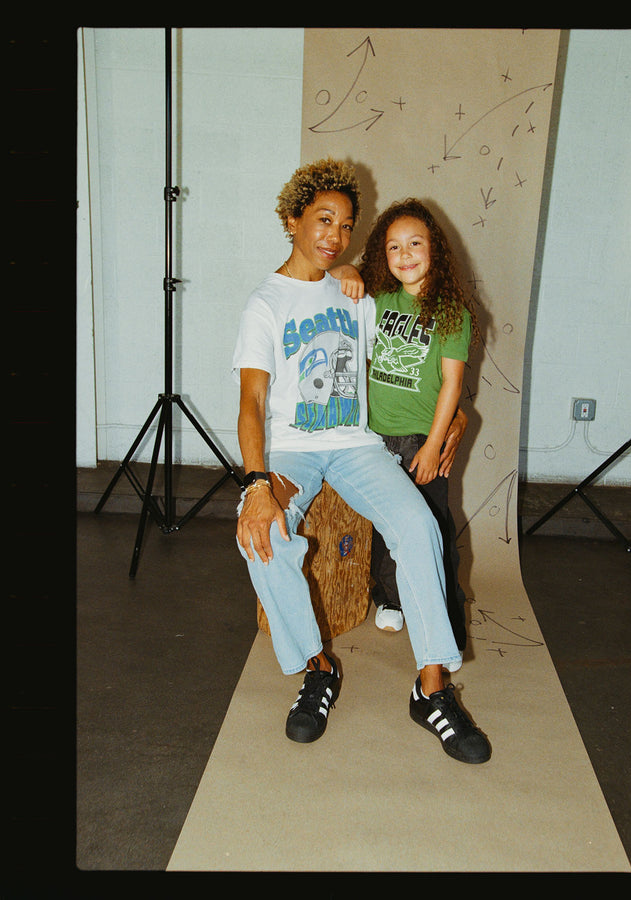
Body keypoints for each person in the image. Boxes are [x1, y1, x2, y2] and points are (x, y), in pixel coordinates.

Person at [232, 158, 490, 764]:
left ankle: (431, 688)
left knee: (420, 527)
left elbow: (416, 359)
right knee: (262, 537)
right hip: (291, 451)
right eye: (324, 219)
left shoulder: (357, 291)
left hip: (356, 445)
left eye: (347, 225)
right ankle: (318, 668)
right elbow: (251, 403)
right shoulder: (264, 304)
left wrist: (456, 417)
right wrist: (257, 483)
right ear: (292, 219)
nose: (335, 235)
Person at [358, 199, 478, 651]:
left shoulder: (450, 311)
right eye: (394, 247)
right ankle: (390, 598)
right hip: (375, 438)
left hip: (419, 440)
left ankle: (446, 620)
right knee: (386, 524)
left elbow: (452, 384)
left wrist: (432, 445)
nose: (404, 254)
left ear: (435, 250)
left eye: (414, 244)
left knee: (433, 529)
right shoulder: (378, 301)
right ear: (382, 255)